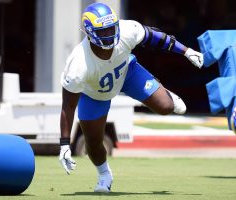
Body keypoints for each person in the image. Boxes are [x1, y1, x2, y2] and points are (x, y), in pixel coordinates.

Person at [59, 2, 203, 193]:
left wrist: (186, 51)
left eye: (111, 28)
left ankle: (163, 90)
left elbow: (155, 37)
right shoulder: (78, 64)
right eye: (103, 31)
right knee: (93, 144)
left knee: (166, 106)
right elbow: (68, 107)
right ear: (89, 32)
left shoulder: (127, 30)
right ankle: (104, 175)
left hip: (127, 74)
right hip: (95, 94)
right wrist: (64, 144)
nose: (109, 34)